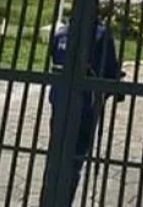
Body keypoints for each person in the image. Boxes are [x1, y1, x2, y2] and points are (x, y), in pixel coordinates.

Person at [43, 15, 122, 204]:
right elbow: (110, 71)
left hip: (59, 100)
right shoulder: (101, 34)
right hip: (86, 103)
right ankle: (64, 200)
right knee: (75, 156)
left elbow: (54, 60)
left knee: (56, 154)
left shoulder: (60, 33)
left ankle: (48, 200)